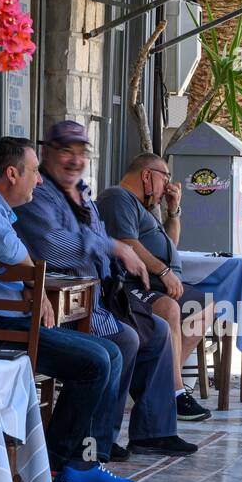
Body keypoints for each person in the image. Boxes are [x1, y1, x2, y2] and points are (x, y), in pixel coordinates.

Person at [0, 136, 137, 482]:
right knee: (96, 361)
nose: (39, 180)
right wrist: (35, 290)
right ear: (11, 173)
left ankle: (81, 460)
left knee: (110, 352)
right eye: (35, 171)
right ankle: (55, 464)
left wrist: (27, 287)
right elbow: (5, 246)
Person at [14, 121, 198, 459]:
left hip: (102, 294)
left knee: (157, 331)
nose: (73, 159)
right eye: (65, 151)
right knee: (124, 338)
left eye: (80, 152)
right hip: (66, 302)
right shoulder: (37, 193)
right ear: (46, 154)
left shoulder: (82, 193)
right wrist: (111, 249)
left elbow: (102, 240)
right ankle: (97, 441)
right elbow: (52, 246)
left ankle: (153, 431)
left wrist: (113, 254)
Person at [97, 152, 214, 422]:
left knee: (205, 305)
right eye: (166, 179)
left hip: (156, 284)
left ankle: (162, 382)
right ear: (147, 175)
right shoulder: (118, 197)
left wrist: (173, 211)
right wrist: (164, 271)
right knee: (169, 309)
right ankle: (173, 394)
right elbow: (127, 243)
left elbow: (170, 246)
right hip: (128, 285)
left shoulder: (144, 209)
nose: (167, 187)